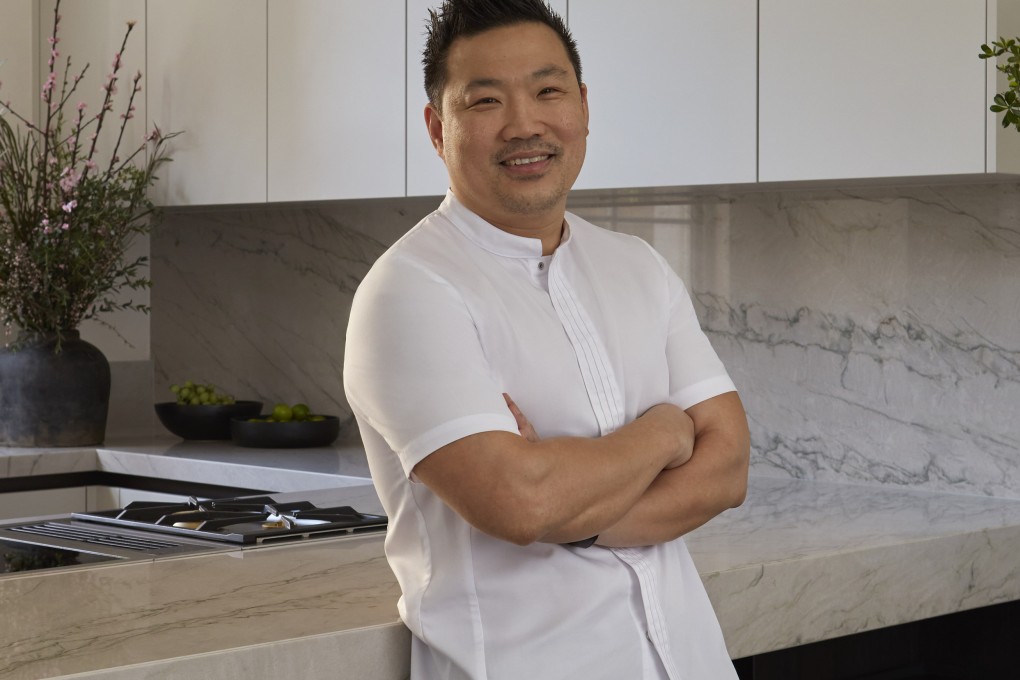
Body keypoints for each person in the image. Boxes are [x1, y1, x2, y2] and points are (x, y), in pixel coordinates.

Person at [343, 1, 751, 678]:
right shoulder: (408, 292)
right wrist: (666, 435)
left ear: (583, 107)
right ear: (436, 128)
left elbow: (728, 469)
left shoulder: (638, 267)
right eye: (485, 101)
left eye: (547, 90)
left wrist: (575, 505)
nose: (524, 124)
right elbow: (521, 501)